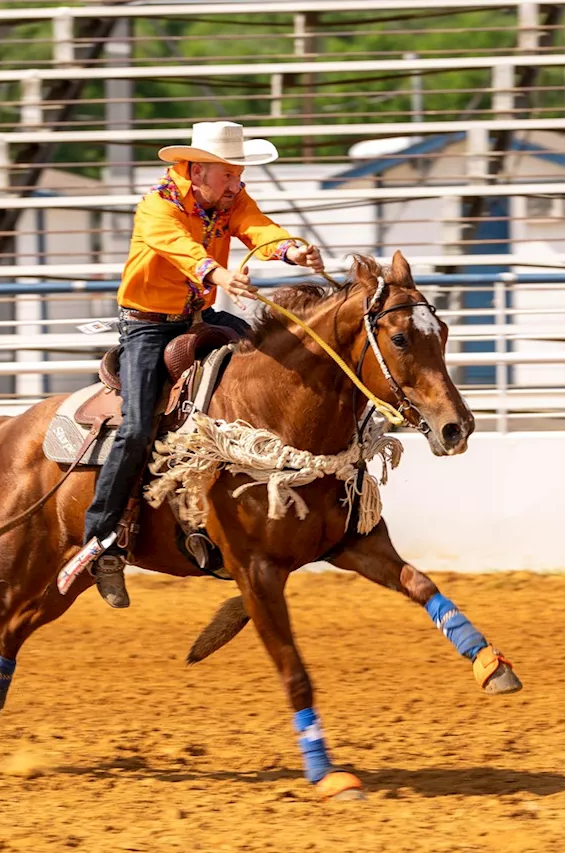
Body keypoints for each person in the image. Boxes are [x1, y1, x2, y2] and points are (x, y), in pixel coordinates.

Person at [81, 121, 325, 609]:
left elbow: (259, 228)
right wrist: (220, 273)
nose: (238, 183)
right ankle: (101, 538)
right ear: (197, 170)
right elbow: (181, 250)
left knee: (265, 377)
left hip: (198, 316)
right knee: (136, 425)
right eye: (230, 174)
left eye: (239, 173)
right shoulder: (157, 205)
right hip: (148, 325)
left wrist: (291, 249)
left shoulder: (230, 201)